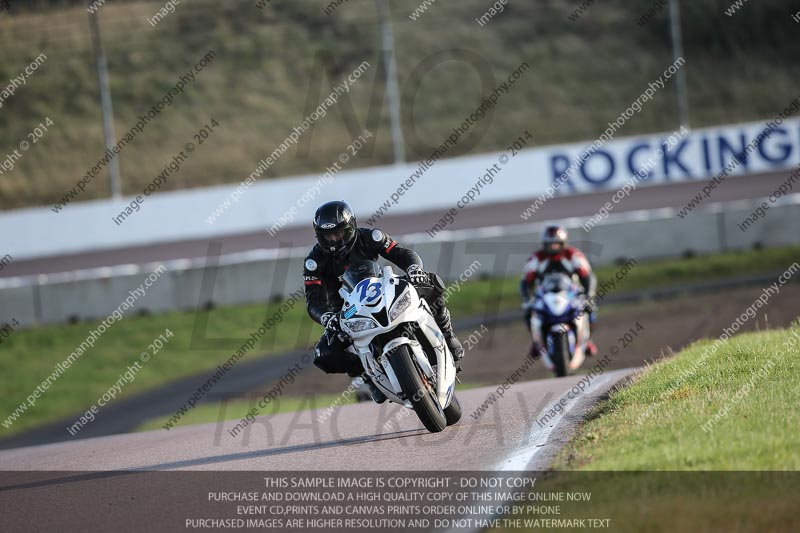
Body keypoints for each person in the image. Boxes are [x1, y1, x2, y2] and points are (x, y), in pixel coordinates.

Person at [303, 200, 464, 402]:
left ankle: (448, 335)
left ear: (351, 227)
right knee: (323, 355)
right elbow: (313, 302)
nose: (334, 240)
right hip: (347, 309)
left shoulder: (371, 237)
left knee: (431, 283)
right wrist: (327, 317)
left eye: (339, 233)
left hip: (384, 288)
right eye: (328, 236)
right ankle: (366, 375)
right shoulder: (314, 262)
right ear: (319, 235)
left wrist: (414, 270)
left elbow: (404, 254)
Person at [519, 225, 598, 360]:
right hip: (545, 296)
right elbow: (526, 282)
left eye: (556, 244)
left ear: (563, 243)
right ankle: (537, 342)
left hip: (570, 294)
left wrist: (588, 294)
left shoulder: (573, 255)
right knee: (529, 313)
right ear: (544, 244)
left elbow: (587, 276)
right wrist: (527, 299)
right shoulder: (536, 258)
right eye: (550, 244)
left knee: (590, 309)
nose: (553, 247)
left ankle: (587, 340)